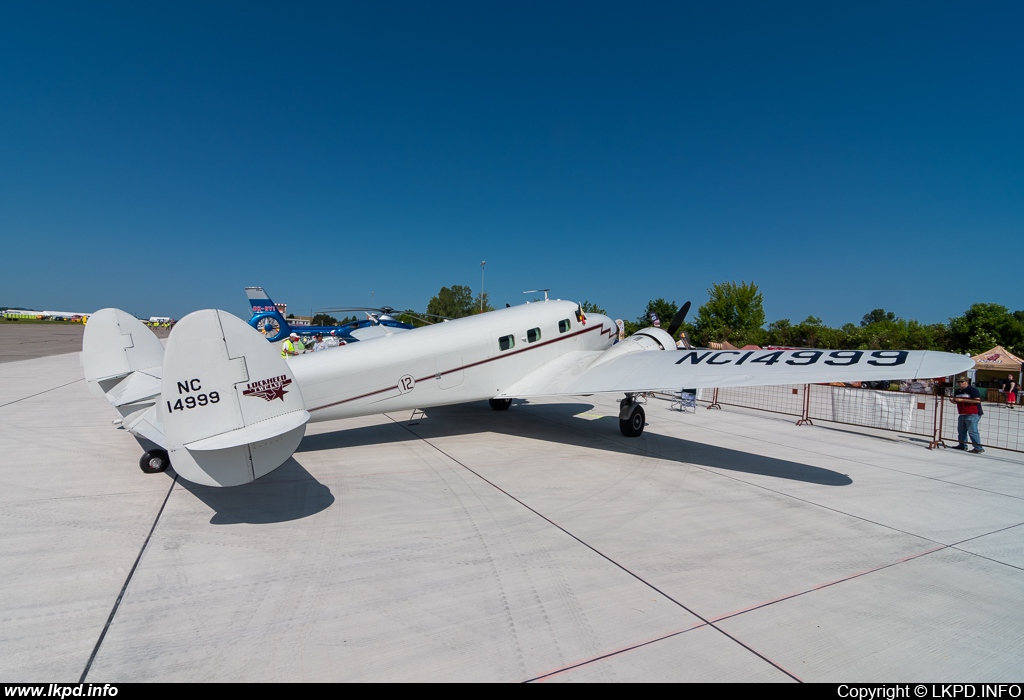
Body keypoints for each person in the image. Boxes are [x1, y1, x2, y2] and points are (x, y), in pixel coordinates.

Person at [950, 377, 984, 453]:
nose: (960, 383)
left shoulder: (972, 390)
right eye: (958, 382)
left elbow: (977, 400)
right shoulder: (958, 391)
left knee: (972, 431)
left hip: (973, 413)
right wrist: (953, 401)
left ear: (966, 382)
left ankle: (978, 447)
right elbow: (957, 401)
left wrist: (962, 400)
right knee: (961, 430)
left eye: (962, 381)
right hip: (962, 412)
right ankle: (962, 445)